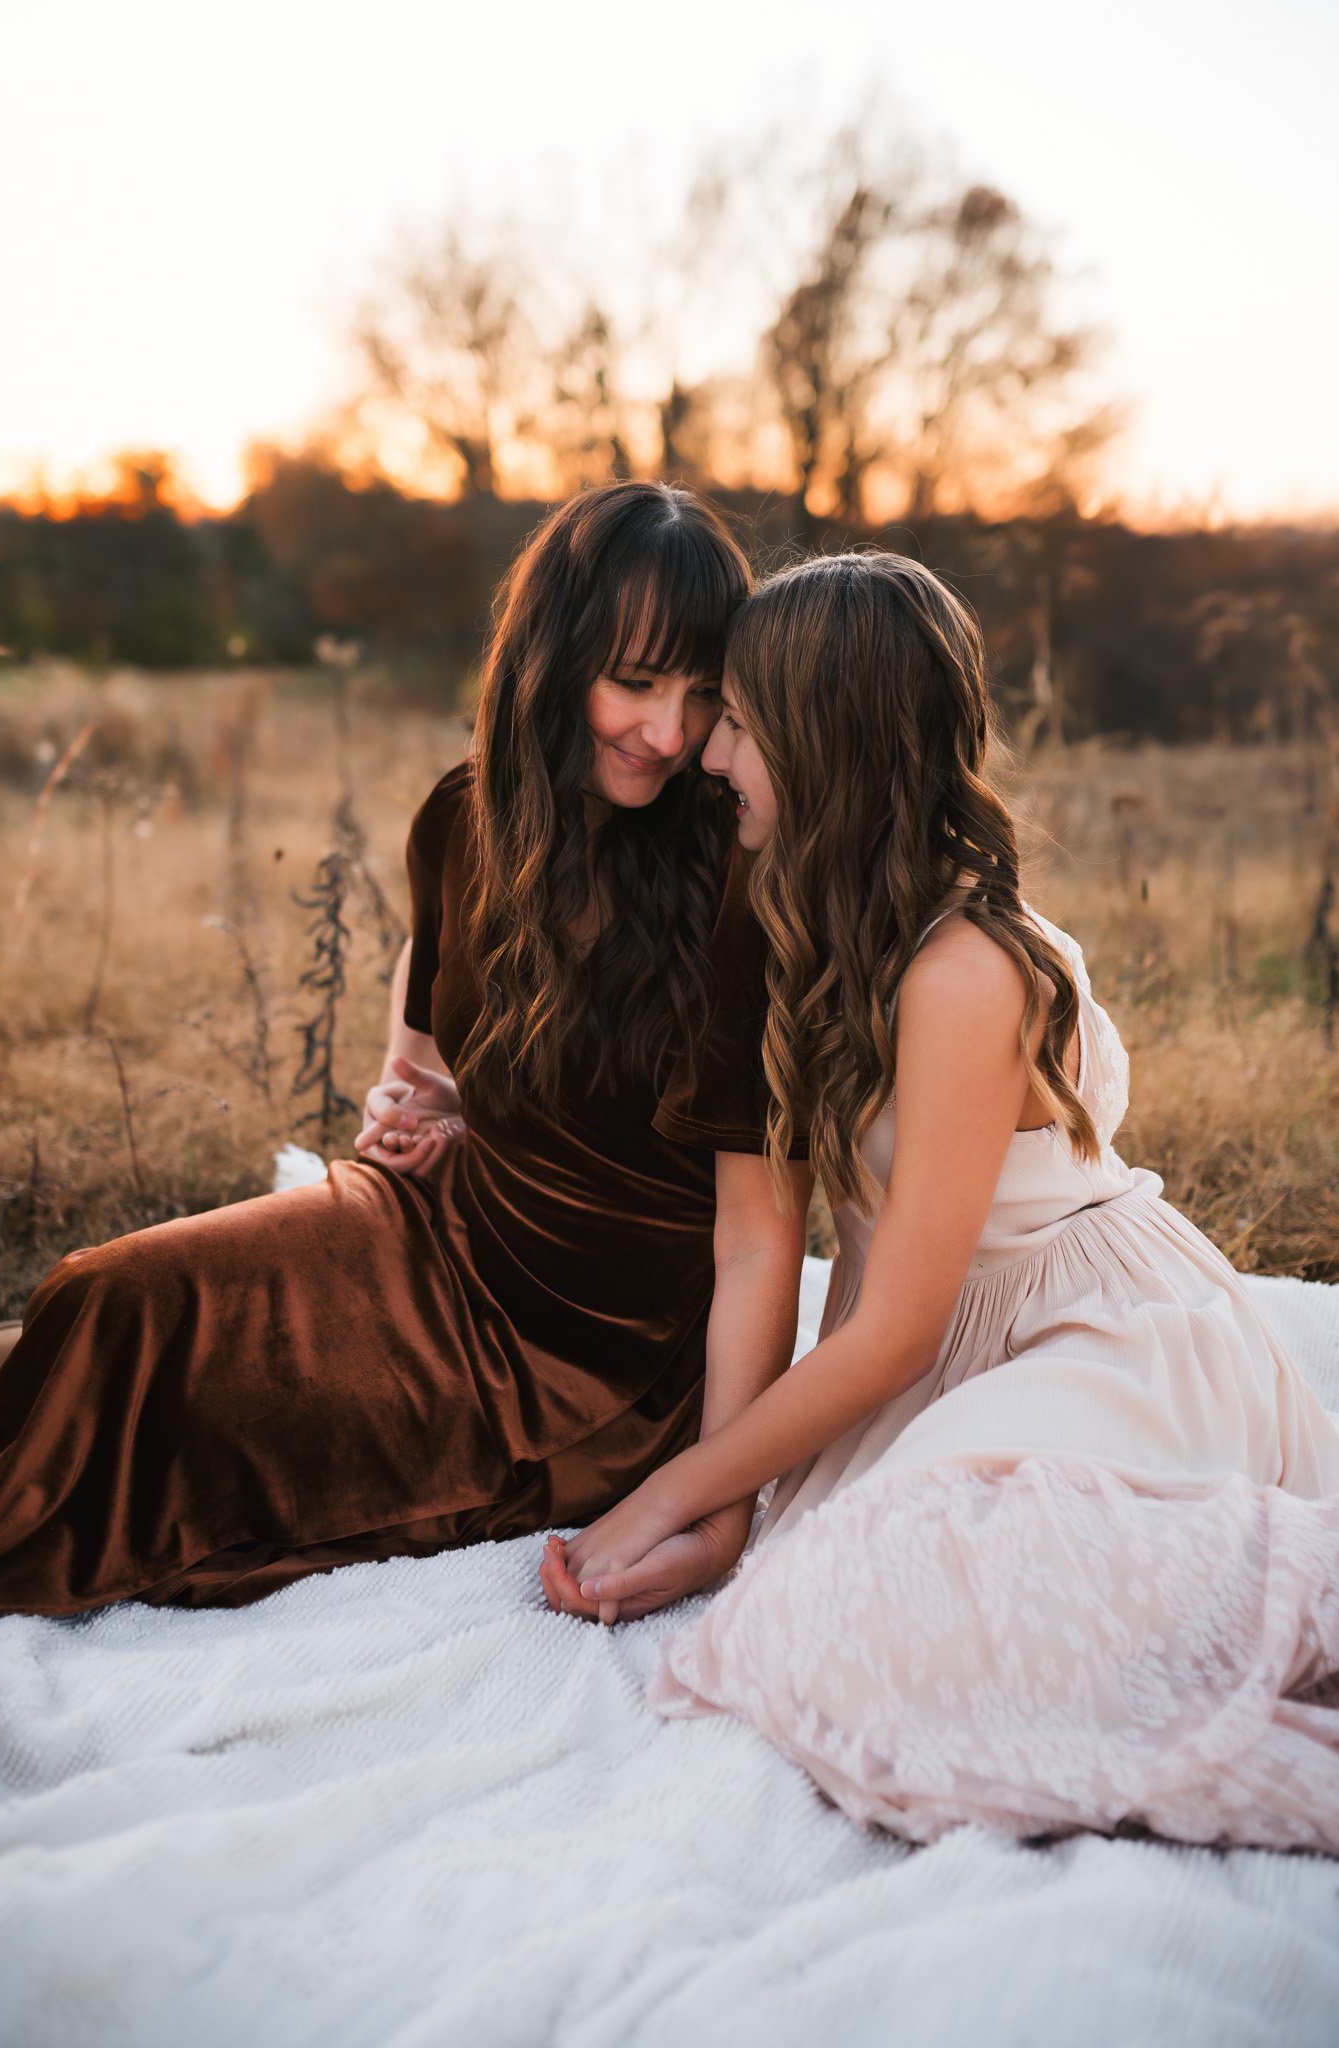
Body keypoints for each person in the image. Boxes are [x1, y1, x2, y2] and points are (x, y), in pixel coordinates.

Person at [550, 551, 1339, 1851]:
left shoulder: (965, 966)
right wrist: (717, 1509)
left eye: (736, 723)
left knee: (868, 1619)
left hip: (1096, 1339)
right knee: (840, 1610)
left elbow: (895, 1327)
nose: (706, 757)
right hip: (953, 1347)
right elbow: (760, 1234)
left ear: (818, 744)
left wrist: (663, 1492)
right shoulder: (803, 926)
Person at [0, 481, 807, 1617]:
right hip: (433, 1226)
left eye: (703, 694)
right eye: (636, 680)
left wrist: (716, 1518)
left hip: (585, 1370)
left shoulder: (736, 884)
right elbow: (420, 1053)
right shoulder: (467, 817)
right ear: (556, 657)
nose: (668, 734)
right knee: (104, 1298)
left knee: (155, 1436)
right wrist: (421, 1106)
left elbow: (762, 1239)